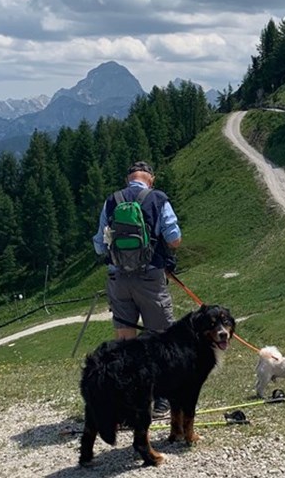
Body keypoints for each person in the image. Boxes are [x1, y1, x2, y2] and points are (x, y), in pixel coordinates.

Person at [92, 161, 181, 417]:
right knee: (161, 337)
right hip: (150, 277)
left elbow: (99, 245)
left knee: (124, 342)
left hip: (118, 279)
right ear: (150, 178)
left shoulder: (112, 200)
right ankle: (162, 400)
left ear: (127, 178)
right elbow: (173, 238)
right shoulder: (158, 198)